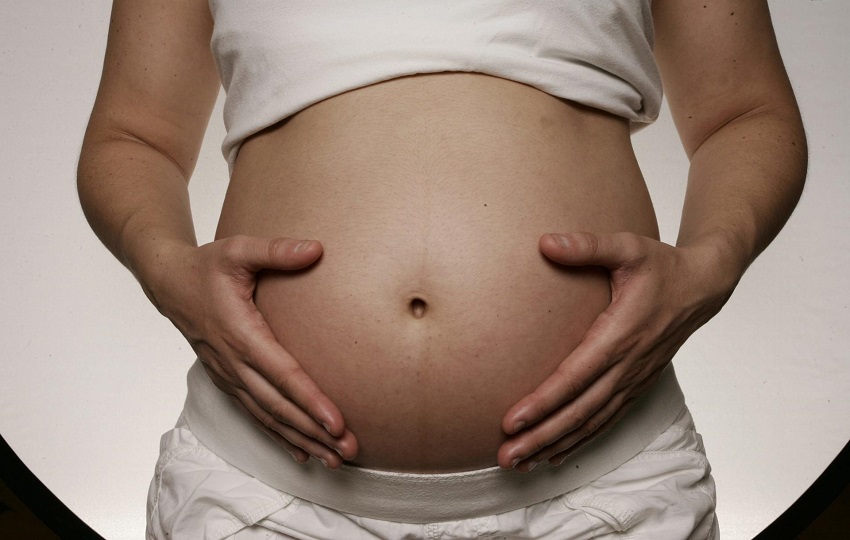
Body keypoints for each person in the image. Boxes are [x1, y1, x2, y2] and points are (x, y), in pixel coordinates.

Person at [78, 1, 806, 538]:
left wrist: (710, 265)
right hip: (263, 498)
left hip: (602, 497)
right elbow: (135, 133)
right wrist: (168, 268)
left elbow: (742, 112)